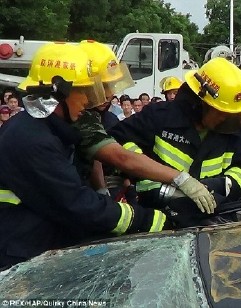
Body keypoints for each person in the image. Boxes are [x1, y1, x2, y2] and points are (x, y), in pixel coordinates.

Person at [0, 43, 168, 268]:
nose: (91, 101)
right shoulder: (33, 140)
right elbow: (76, 204)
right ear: (59, 93)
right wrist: (149, 220)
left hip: (35, 245)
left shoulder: (46, 128)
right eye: (85, 92)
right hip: (20, 256)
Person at [73, 40, 219, 216]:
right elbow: (118, 156)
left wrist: (101, 189)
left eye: (110, 85)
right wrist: (180, 178)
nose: (110, 94)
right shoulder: (79, 115)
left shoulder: (95, 112)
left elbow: (95, 153)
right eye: (102, 87)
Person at [109, 57, 241, 212]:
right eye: (220, 112)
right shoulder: (159, 117)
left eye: (231, 114)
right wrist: (153, 175)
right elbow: (116, 141)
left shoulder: (235, 132)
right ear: (200, 102)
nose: (226, 118)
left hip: (211, 216)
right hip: (155, 212)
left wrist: (220, 186)